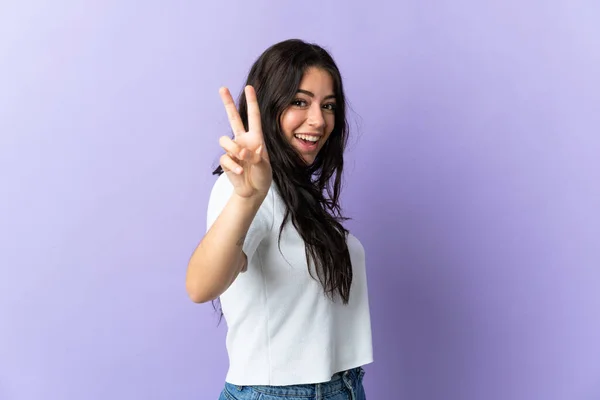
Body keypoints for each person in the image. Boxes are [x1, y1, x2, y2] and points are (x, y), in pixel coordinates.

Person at [185, 39, 373, 400]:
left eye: (328, 105)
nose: (318, 120)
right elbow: (201, 285)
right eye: (300, 102)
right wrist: (246, 198)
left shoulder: (295, 195)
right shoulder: (245, 189)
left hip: (341, 386)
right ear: (270, 106)